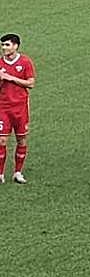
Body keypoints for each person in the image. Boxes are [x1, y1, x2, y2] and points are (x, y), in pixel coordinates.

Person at [0, 34, 34, 185]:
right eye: (3, 45)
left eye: (7, 45)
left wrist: (10, 78)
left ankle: (18, 172)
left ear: (15, 46)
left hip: (20, 108)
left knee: (21, 139)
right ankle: (0, 174)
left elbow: (31, 83)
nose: (4, 48)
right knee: (1, 140)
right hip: (3, 107)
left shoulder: (25, 62)